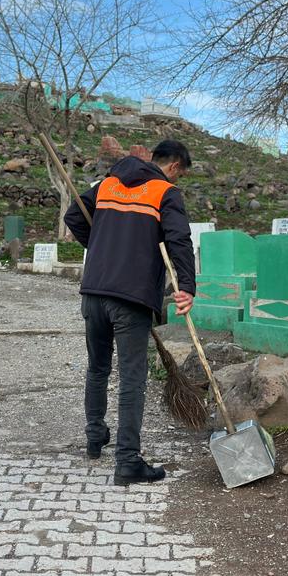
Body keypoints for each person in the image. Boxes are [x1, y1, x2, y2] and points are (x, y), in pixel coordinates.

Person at [63, 139, 196, 486]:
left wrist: (102, 243)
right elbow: (179, 240)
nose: (177, 180)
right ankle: (127, 461)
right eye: (180, 174)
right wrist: (187, 287)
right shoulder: (164, 192)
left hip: (93, 292)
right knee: (132, 379)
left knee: (98, 368)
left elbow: (74, 215)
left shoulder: (107, 184)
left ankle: (95, 437)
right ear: (174, 166)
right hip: (131, 298)